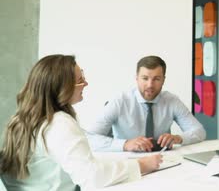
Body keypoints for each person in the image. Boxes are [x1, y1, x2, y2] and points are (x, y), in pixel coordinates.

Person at [0, 55, 162, 190]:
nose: (86, 83)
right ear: (62, 86)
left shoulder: (25, 118)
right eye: (79, 80)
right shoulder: (58, 124)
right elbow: (92, 178)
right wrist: (140, 165)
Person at [87, 55, 206, 152]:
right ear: (136, 78)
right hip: (127, 161)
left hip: (163, 161)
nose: (150, 85)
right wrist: (126, 144)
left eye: (156, 79)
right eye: (145, 78)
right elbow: (89, 139)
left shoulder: (172, 101)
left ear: (163, 80)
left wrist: (178, 138)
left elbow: (199, 131)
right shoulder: (119, 101)